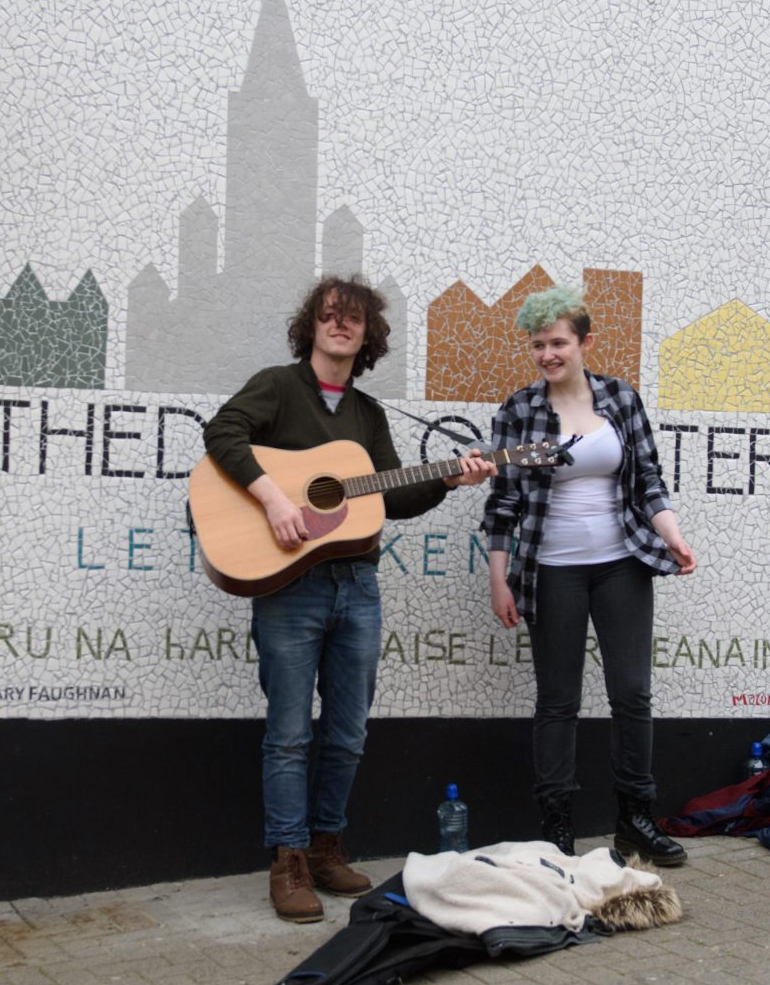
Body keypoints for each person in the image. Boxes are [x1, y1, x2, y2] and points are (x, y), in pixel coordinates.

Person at [203, 275, 495, 922]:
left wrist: (451, 476)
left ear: (367, 335)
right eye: (330, 314)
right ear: (312, 324)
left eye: (353, 318)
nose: (341, 324)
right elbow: (222, 433)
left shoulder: (367, 415)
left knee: (347, 731)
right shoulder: (277, 387)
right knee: (287, 733)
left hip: (357, 586)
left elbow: (390, 495)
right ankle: (288, 861)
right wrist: (275, 497)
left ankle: (327, 845)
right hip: (289, 586)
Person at [481, 285, 696, 866]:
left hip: (622, 562)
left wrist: (671, 533)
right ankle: (557, 827)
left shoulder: (621, 399)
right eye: (537, 345)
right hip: (551, 570)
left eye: (558, 343)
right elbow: (502, 505)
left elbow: (649, 477)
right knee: (557, 701)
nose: (547, 354)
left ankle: (635, 818)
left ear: (585, 343)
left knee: (632, 693)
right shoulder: (519, 411)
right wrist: (499, 579)